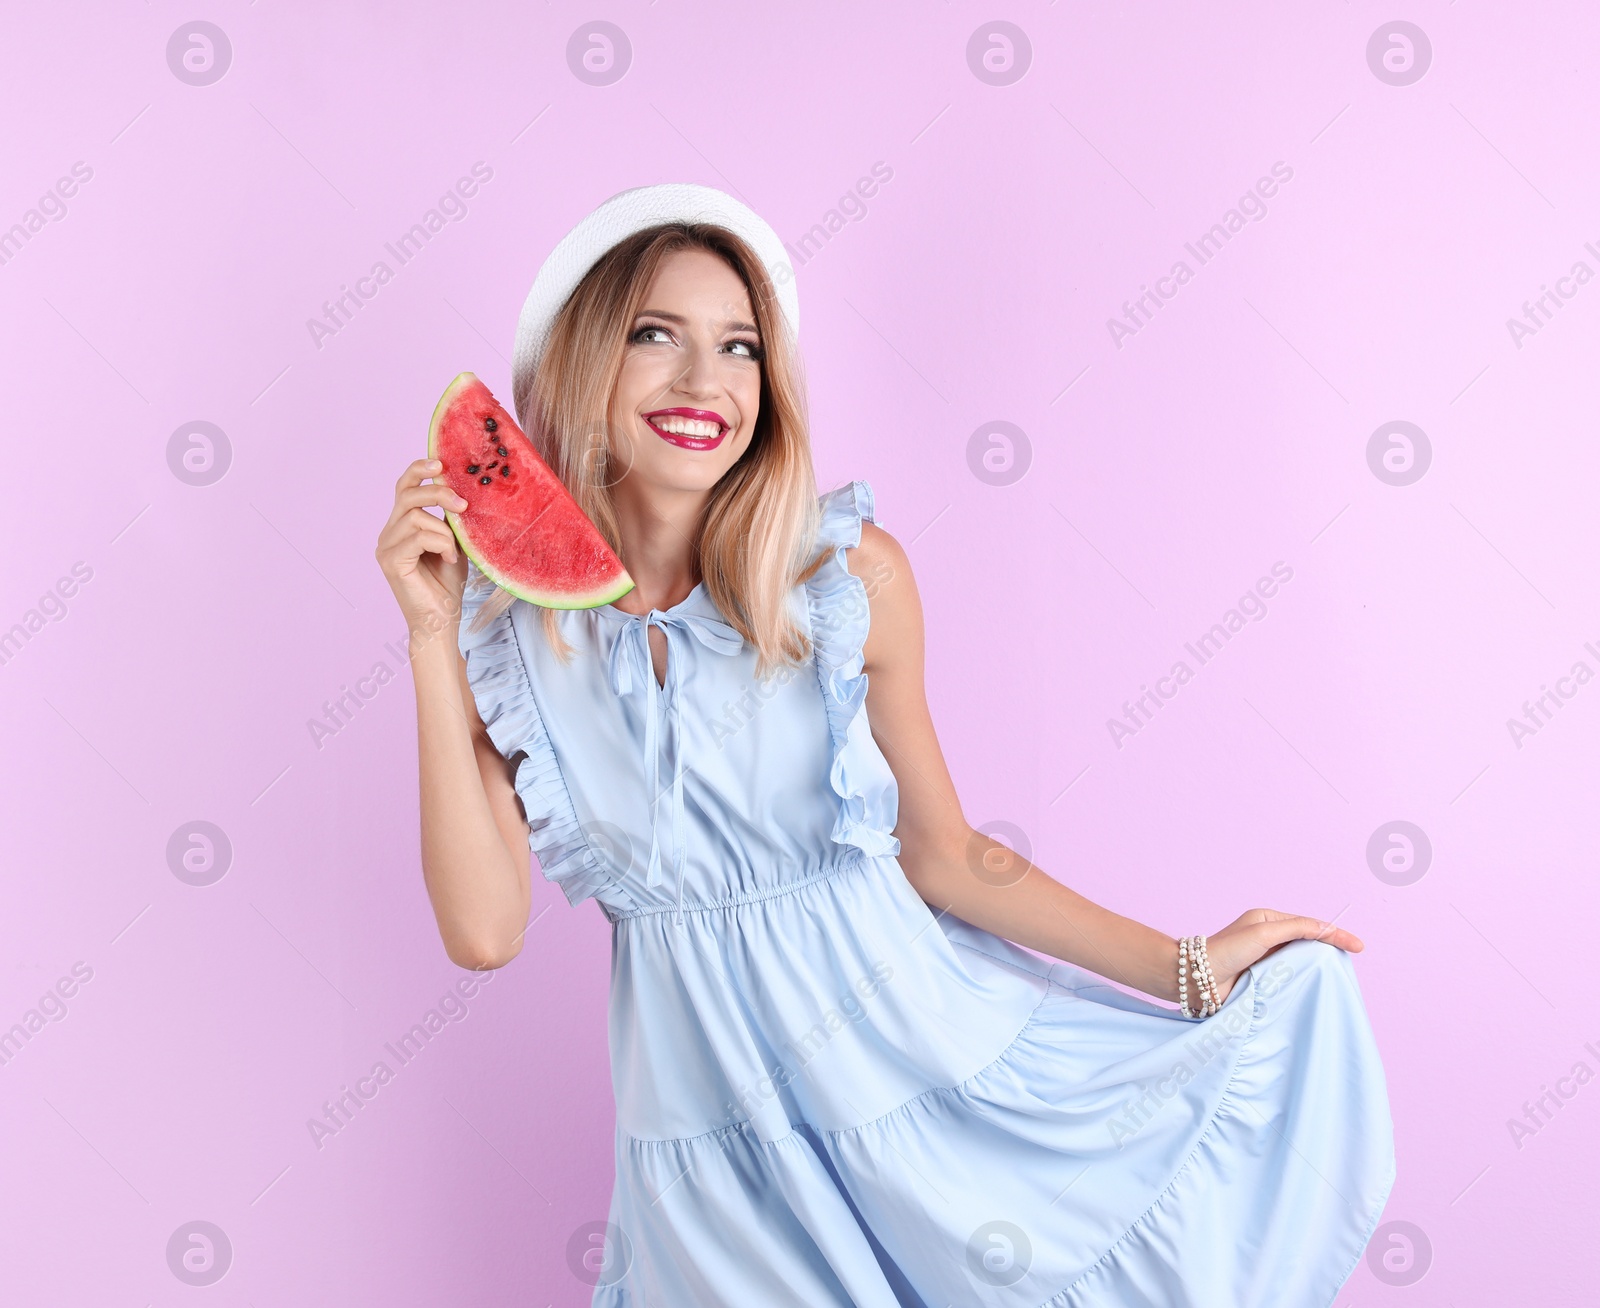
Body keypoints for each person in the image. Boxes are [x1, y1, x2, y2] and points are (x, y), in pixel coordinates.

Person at [375, 184, 1395, 1306]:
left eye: (741, 347)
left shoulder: (847, 582)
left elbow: (945, 854)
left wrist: (1183, 965)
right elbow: (481, 934)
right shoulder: (512, 644)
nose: (704, 382)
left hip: (925, 1094)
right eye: (653, 335)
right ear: (579, 364)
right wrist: (430, 633)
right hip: (705, 1164)